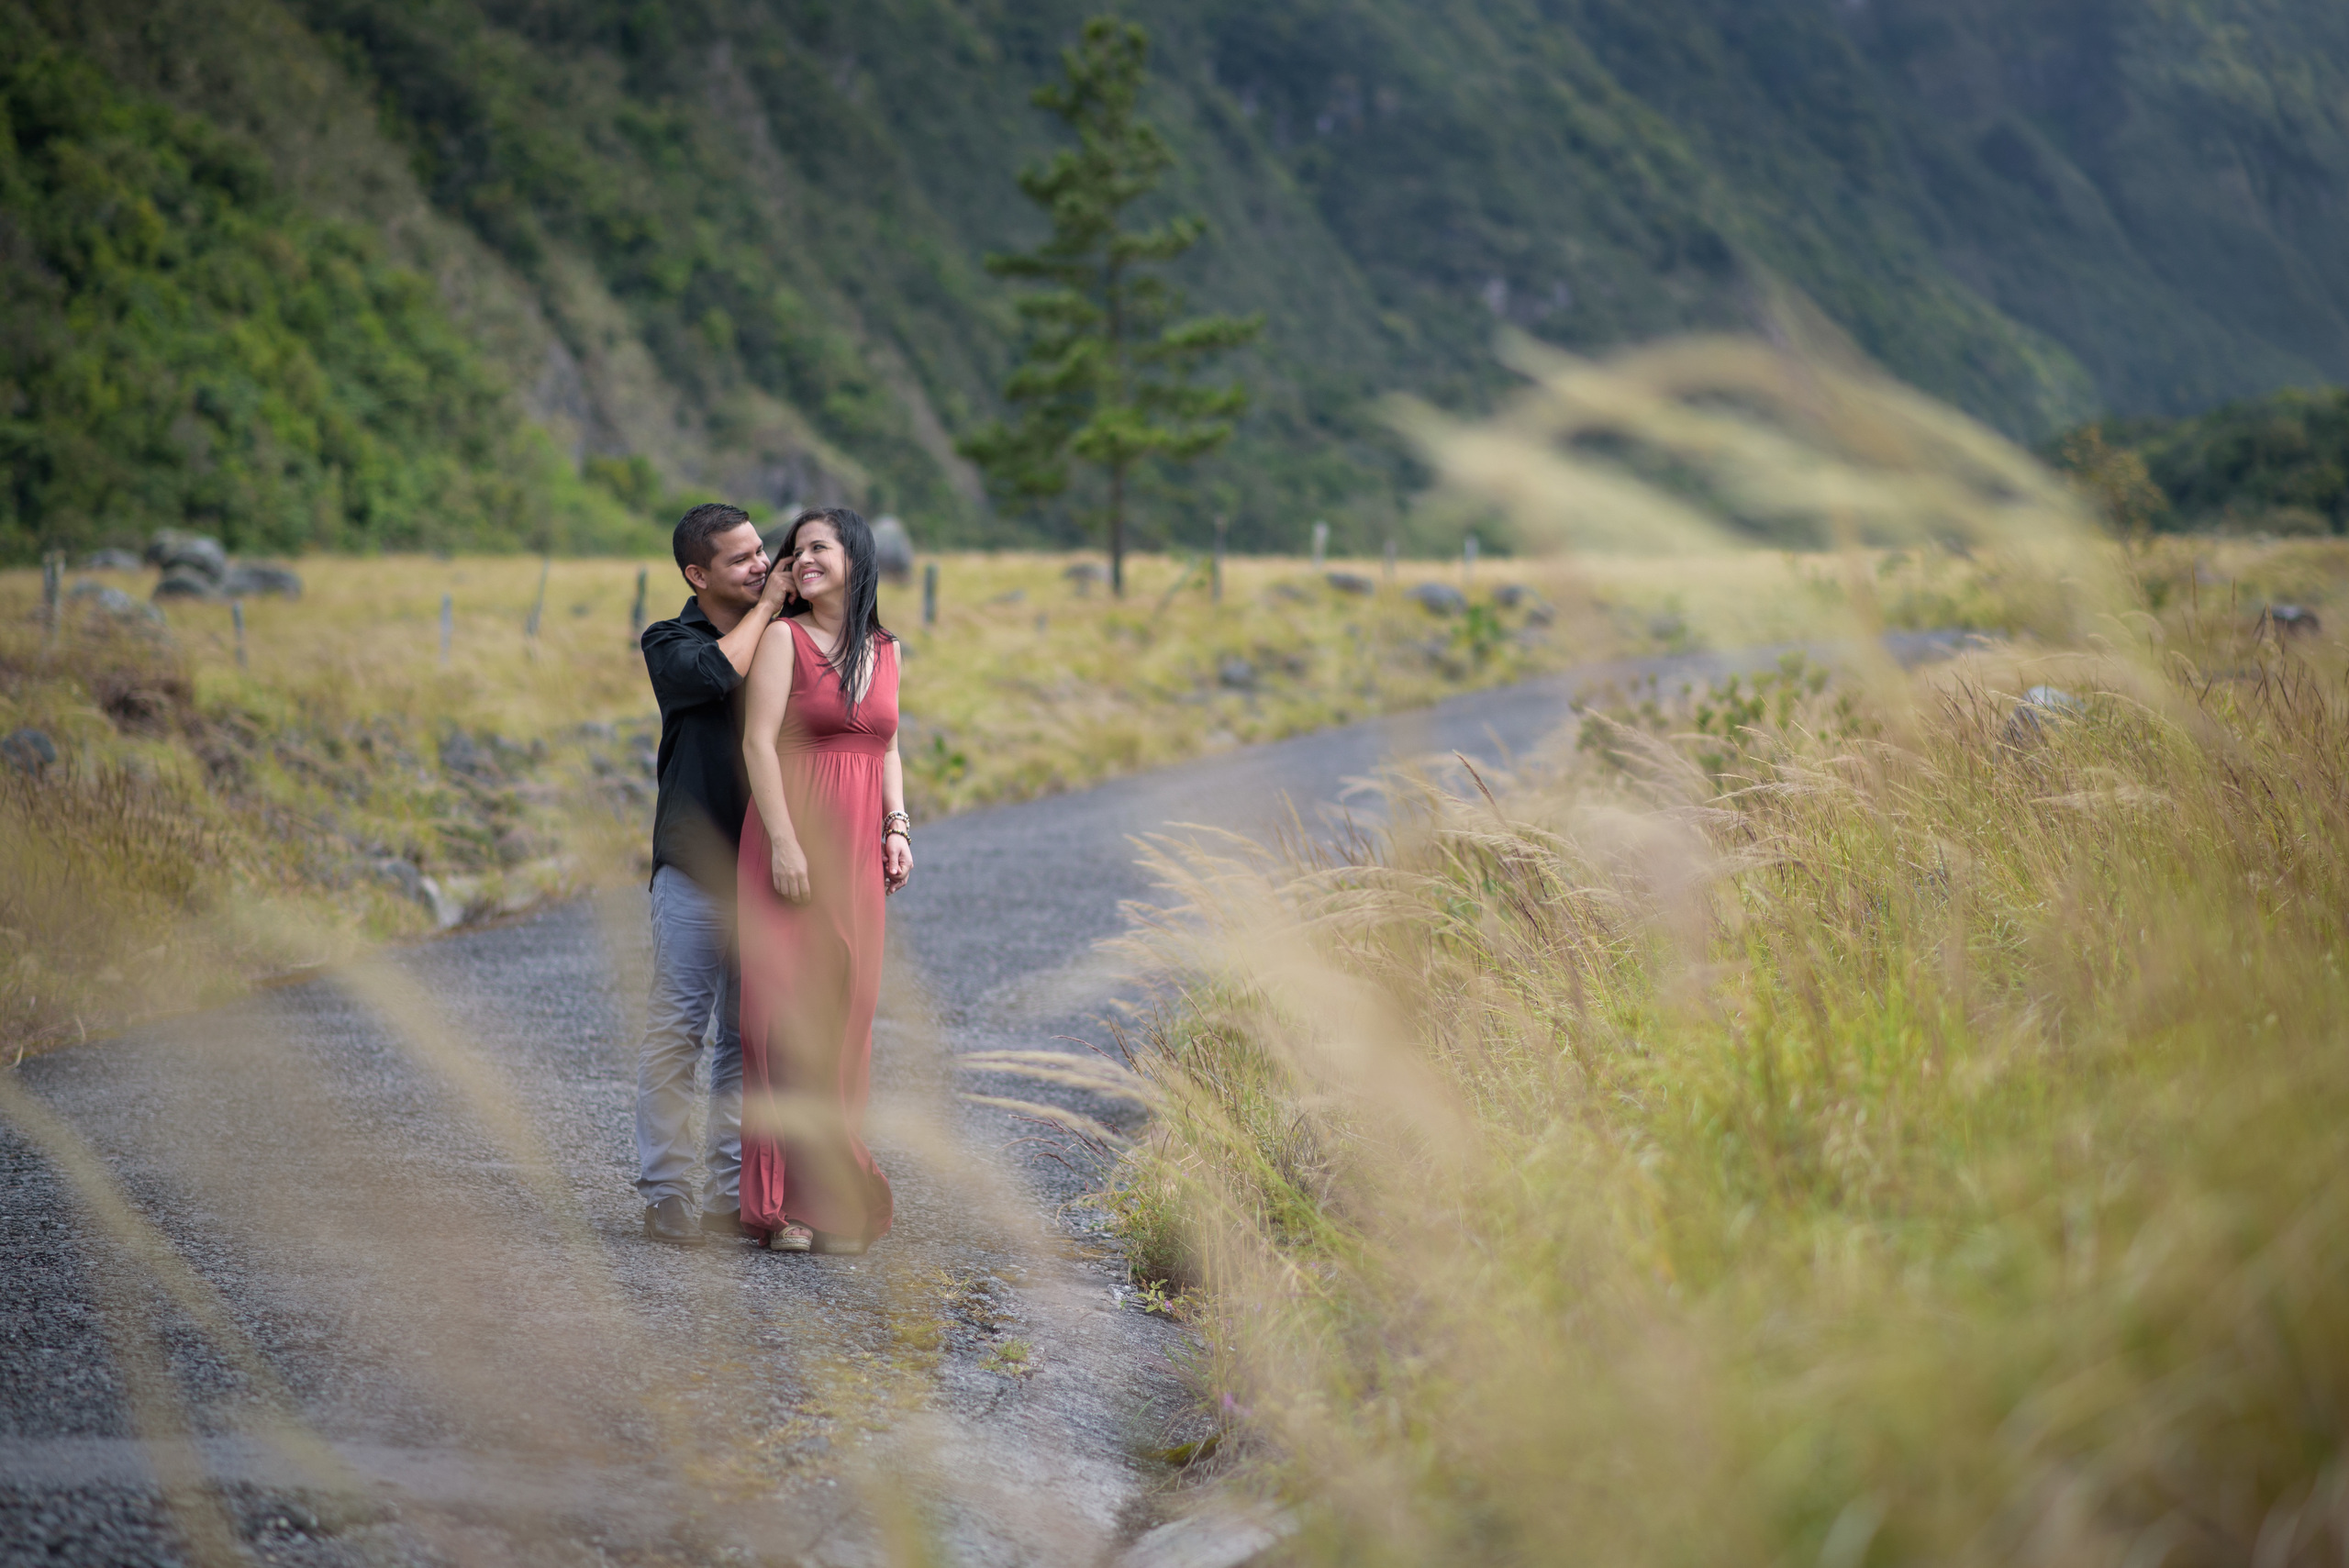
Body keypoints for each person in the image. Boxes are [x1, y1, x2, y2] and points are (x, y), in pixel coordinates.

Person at [737, 506, 911, 1254]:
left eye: (818, 547)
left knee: (849, 1018)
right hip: (792, 840)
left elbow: (888, 742)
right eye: (795, 550)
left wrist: (897, 825)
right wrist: (783, 841)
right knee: (784, 1022)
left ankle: (836, 1197)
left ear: (855, 558)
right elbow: (757, 742)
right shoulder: (782, 639)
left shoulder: (886, 649)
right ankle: (785, 1206)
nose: (801, 559)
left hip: (857, 854)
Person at [634, 502, 795, 1246]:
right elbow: (717, 671)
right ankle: (666, 1193)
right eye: (741, 559)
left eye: (762, 551)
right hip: (695, 871)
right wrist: (766, 608)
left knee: (742, 1039)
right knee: (677, 1034)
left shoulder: (786, 638)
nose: (761, 564)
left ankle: (731, 1198)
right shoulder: (671, 640)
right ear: (698, 575)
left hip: (768, 873)